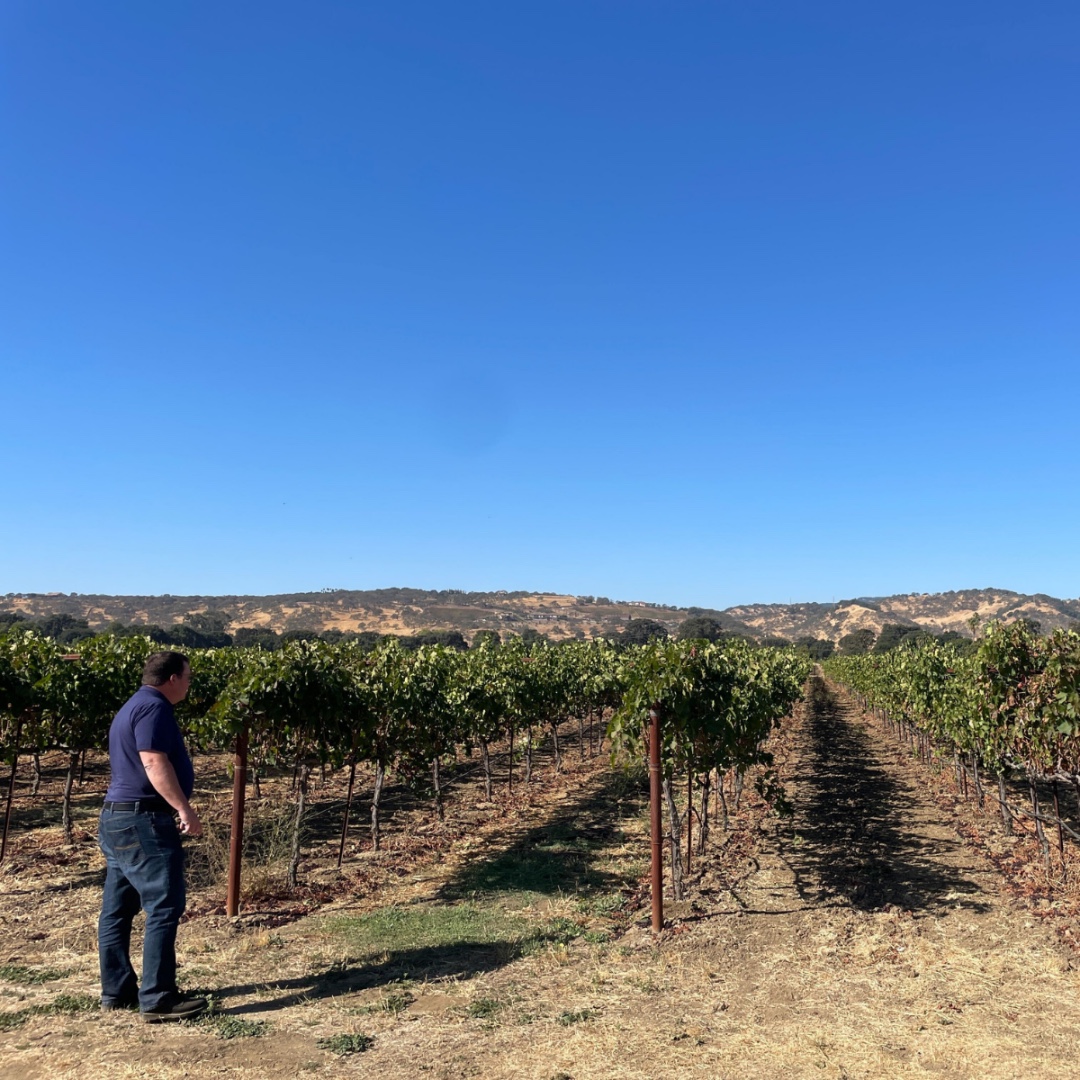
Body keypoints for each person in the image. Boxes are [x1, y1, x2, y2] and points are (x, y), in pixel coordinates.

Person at [98, 650, 207, 1021]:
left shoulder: (133, 705)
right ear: (172, 678)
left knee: (117, 910)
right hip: (143, 821)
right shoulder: (154, 708)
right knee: (164, 904)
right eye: (188, 677)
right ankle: (158, 998)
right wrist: (183, 808)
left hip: (118, 818)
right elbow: (153, 761)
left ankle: (117, 991)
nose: (189, 684)